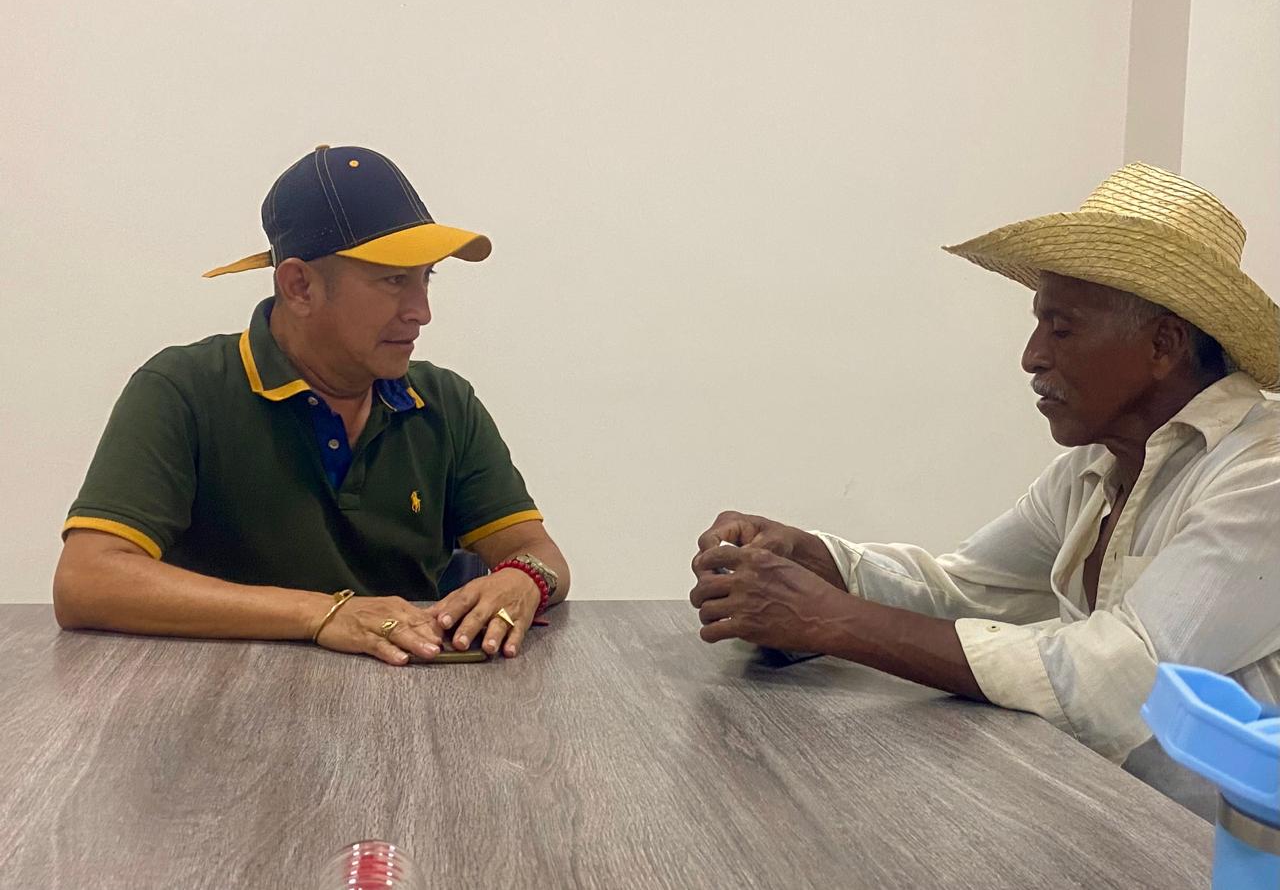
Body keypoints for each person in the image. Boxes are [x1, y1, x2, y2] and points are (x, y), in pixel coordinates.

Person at [690, 162, 1279, 769]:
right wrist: (818, 562)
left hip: (1195, 831)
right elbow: (967, 591)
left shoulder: (1264, 474)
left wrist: (828, 618)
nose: (1032, 356)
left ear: (1163, 345)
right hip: (1091, 804)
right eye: (1038, 325)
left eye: (1062, 330)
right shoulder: (1092, 469)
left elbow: (1118, 683)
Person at [55, 144, 569, 664]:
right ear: (299, 285)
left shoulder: (446, 402)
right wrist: (323, 614)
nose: (422, 311)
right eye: (394, 279)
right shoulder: (182, 389)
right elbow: (86, 579)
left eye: (426, 277)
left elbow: (537, 551)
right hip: (219, 696)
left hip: (413, 697)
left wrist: (523, 579)